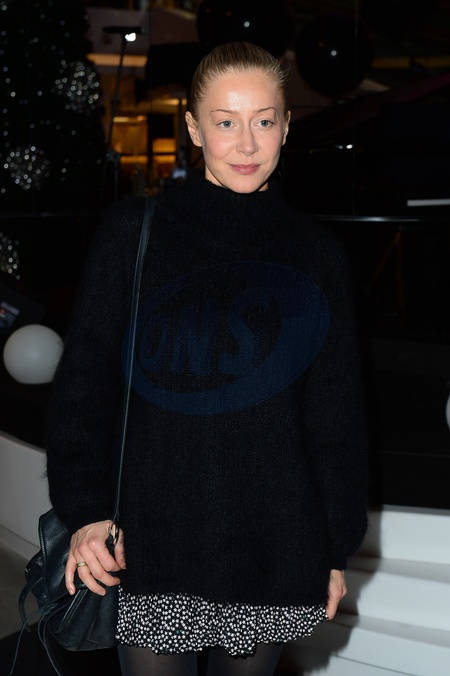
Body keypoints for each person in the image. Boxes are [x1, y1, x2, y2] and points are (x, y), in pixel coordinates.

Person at [45, 41, 369, 676]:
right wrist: (86, 512)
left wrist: (333, 549)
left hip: (275, 548)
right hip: (151, 546)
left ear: (286, 125)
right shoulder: (135, 232)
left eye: (263, 121)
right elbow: (84, 385)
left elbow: (336, 419)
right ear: (194, 128)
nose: (246, 144)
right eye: (225, 122)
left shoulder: (317, 254)